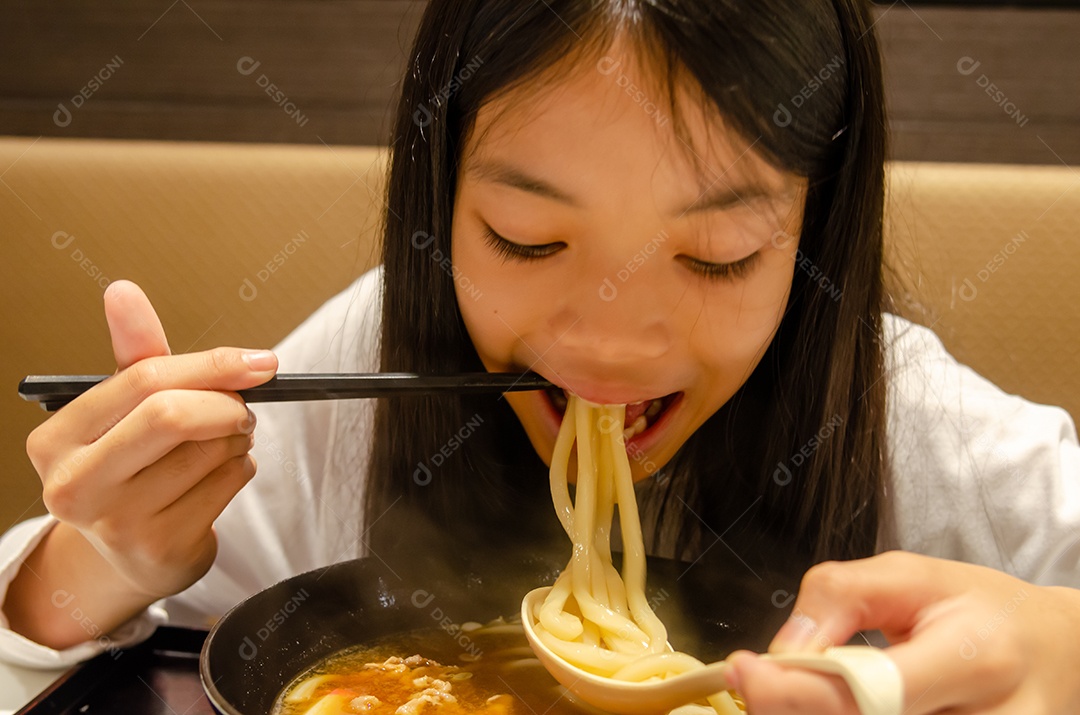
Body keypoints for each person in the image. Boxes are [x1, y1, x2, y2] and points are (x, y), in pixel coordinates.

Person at [2, 0, 1078, 711]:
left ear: (817, 234)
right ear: (440, 205)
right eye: (527, 239)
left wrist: (1060, 650)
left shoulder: (923, 433)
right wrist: (82, 574)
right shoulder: (366, 369)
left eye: (718, 255)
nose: (607, 342)